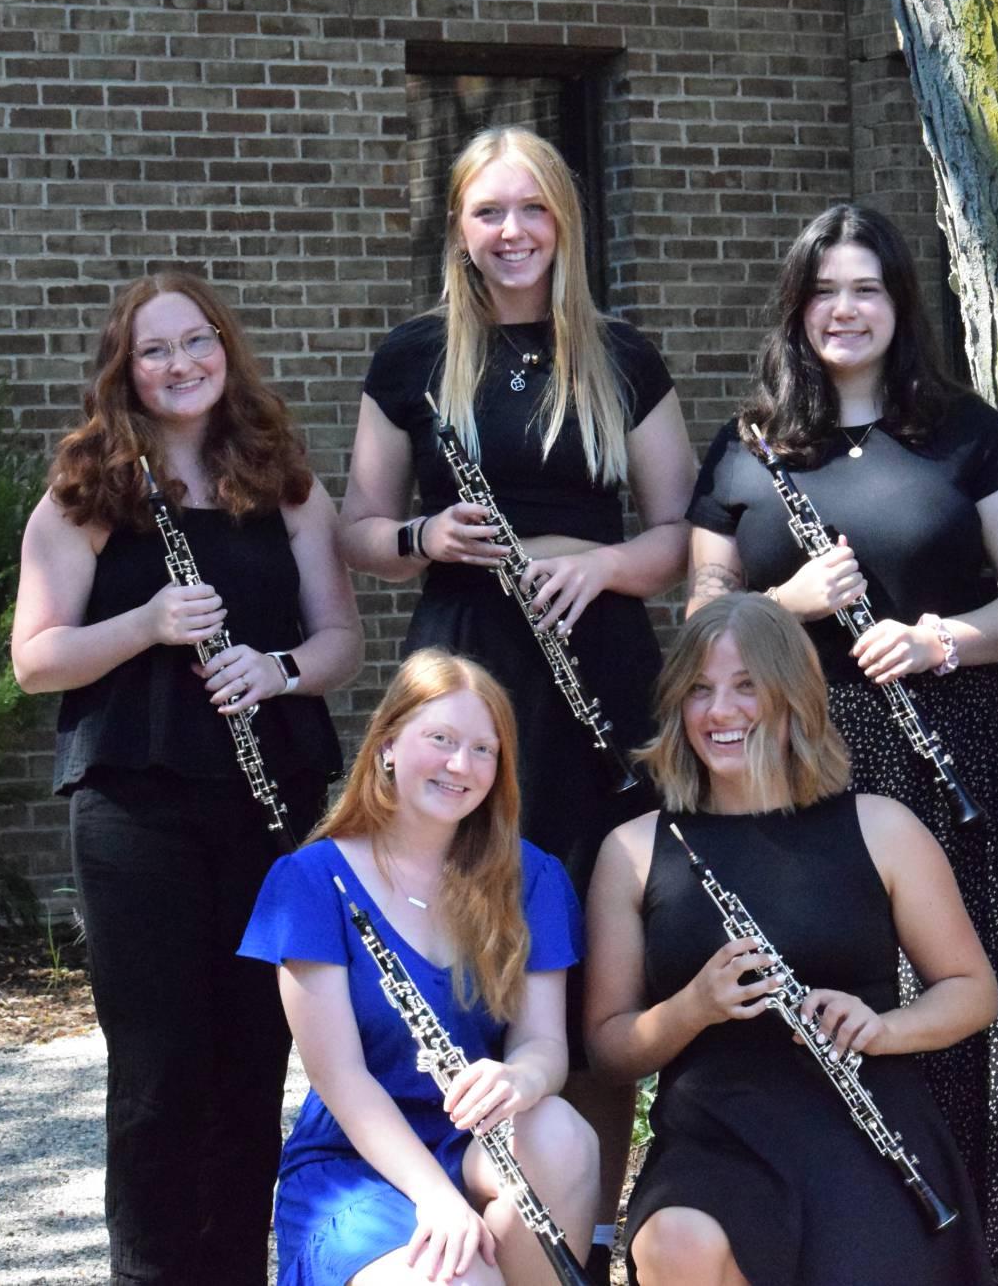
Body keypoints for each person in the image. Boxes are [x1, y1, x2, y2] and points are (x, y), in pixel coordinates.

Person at [338, 124, 697, 1264]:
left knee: (594, 956)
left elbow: (683, 537)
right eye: (488, 211)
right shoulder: (409, 361)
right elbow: (357, 528)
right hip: (464, 679)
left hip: (597, 678)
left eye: (531, 209)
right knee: (468, 939)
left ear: (564, 222)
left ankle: (580, 1232)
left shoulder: (623, 358)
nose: (511, 232)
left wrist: (598, 564)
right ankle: (468, 1220)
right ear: (458, 226)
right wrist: (423, 532)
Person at [684, 203, 998, 1265]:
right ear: (795, 307)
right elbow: (699, 619)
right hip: (786, 754)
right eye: (823, 289)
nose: (843, 309)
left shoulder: (965, 432)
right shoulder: (746, 445)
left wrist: (942, 637)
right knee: (818, 988)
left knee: (942, 995)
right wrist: (789, 603)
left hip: (937, 737)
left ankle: (963, 1244)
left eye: (866, 289)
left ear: (898, 304)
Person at [11, 271, 362, 1283]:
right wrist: (146, 625)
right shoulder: (87, 491)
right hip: (136, 807)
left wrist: (276, 669)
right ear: (124, 369)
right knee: (161, 1069)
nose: (180, 364)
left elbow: (338, 638)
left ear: (224, 346)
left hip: (270, 801)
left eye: (195, 341)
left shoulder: (282, 479)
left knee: (255, 1054)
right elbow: (34, 658)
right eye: (154, 350)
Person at [584, 593, 998, 1285]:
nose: (721, 712)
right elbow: (608, 1051)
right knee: (673, 1243)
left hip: (864, 1125)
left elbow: (972, 989)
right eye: (699, 690)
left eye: (748, 686)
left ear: (794, 697)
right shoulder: (632, 850)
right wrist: (694, 1005)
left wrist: (881, 1028)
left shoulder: (880, 825)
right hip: (716, 1133)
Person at [238, 649, 597, 1286]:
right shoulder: (310, 881)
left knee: (563, 1135)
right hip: (359, 1158)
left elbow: (545, 1043)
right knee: (457, 1282)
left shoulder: (531, 874)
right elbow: (343, 1079)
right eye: (441, 739)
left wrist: (521, 1078)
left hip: (475, 1136)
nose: (461, 765)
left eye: (484, 749)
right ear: (387, 746)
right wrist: (436, 1198)